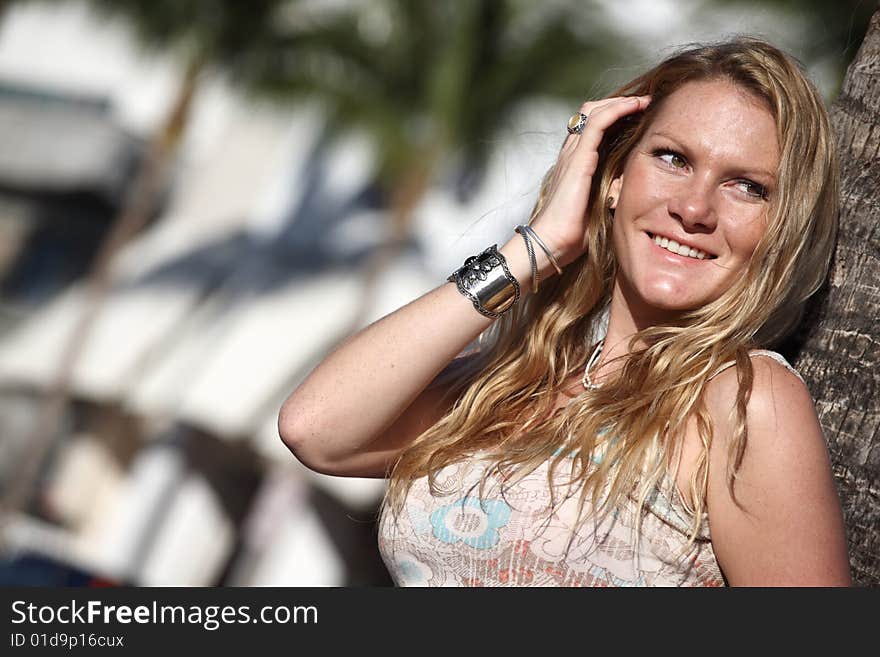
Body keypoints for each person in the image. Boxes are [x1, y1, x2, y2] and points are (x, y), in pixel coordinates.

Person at [278, 37, 852, 586]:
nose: (695, 208)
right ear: (613, 177)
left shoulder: (747, 400)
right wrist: (537, 246)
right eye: (673, 158)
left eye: (748, 187)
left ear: (783, 225)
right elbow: (316, 429)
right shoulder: (510, 384)